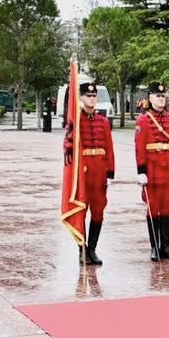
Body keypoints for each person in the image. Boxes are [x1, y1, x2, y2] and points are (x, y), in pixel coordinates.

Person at [62, 80, 112, 266]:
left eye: (93, 96)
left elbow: (109, 147)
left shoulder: (103, 121)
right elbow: (68, 146)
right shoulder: (75, 121)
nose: (91, 99)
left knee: (98, 212)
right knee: (81, 212)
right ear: (81, 98)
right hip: (83, 175)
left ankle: (92, 249)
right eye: (88, 96)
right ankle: (82, 250)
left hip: (99, 172)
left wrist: (110, 172)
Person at [135, 83, 169, 260]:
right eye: (157, 96)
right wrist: (141, 171)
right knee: (153, 208)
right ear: (150, 98)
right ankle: (154, 247)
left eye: (163, 96)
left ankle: (165, 247)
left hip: (168, 172)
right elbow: (139, 148)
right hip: (152, 171)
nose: (161, 99)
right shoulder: (143, 120)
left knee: (166, 209)